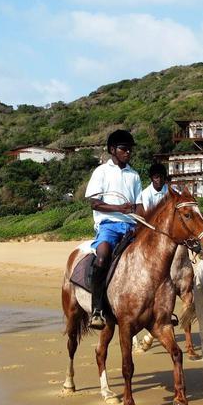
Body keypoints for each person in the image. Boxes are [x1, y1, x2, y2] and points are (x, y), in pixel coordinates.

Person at [84, 129, 142, 330]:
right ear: (112, 150)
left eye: (130, 149)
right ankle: (97, 309)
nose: (128, 153)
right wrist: (119, 209)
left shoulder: (134, 175)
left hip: (131, 226)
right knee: (102, 258)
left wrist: (142, 223)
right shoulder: (101, 171)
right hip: (108, 225)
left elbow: (140, 206)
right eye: (124, 149)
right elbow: (94, 203)